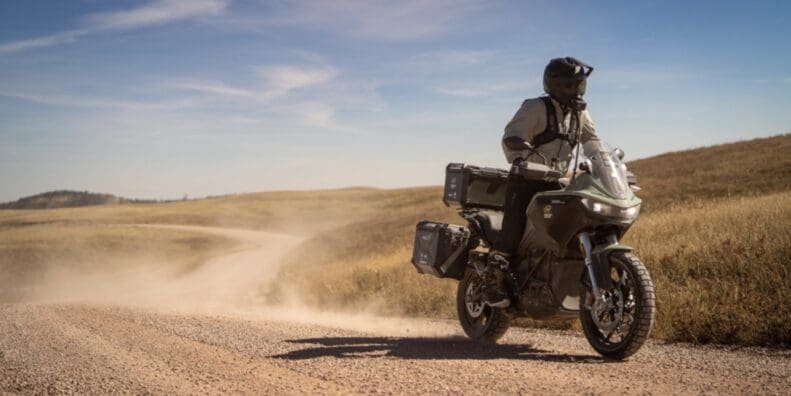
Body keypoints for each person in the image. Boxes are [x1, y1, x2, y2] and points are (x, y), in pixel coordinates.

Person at [483, 57, 600, 308]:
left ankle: (579, 280)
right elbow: (511, 138)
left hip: (558, 181)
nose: (577, 91)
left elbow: (592, 142)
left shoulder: (580, 113)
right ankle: (492, 282)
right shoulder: (535, 107)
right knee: (513, 231)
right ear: (556, 85)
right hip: (527, 179)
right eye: (571, 85)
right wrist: (524, 157)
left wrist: (603, 161)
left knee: (577, 226)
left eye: (580, 85)